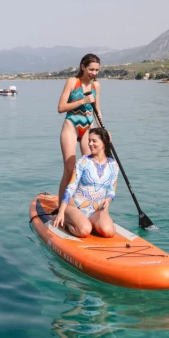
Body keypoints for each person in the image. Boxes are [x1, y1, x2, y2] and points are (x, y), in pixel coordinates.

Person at [54, 128, 118, 238]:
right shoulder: (83, 161)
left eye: (94, 141)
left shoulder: (113, 165)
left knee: (108, 232)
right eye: (89, 140)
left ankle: (89, 222)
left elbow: (111, 192)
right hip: (76, 207)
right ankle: (67, 223)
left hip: (96, 209)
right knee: (84, 231)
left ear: (104, 142)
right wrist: (61, 211)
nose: (90, 144)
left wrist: (108, 199)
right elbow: (70, 188)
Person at [57, 54, 103, 204]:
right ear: (83, 67)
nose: (94, 73)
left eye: (96, 70)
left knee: (89, 170)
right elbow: (61, 107)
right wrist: (82, 101)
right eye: (91, 69)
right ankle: (61, 207)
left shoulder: (96, 85)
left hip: (88, 130)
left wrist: (103, 130)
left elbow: (97, 110)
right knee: (70, 170)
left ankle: (84, 203)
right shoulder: (72, 82)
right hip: (71, 127)